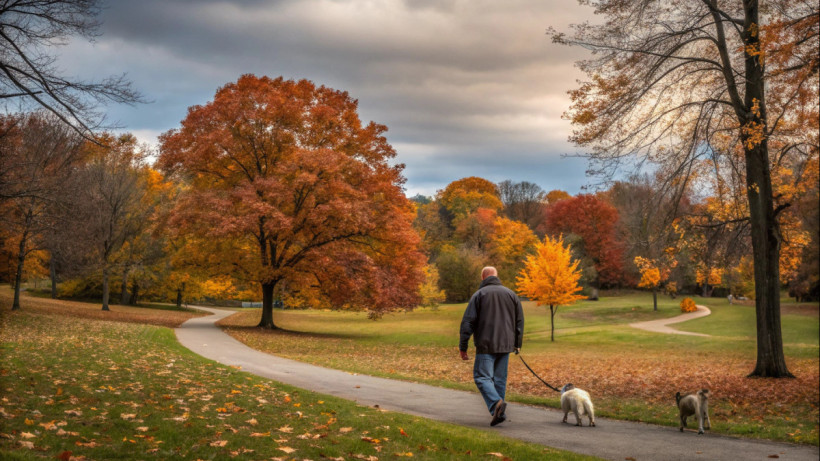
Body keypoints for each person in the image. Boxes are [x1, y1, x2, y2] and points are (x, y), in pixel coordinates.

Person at [459, 266, 524, 426]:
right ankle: (498, 413)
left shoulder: (479, 295)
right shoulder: (511, 294)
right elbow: (519, 322)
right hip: (506, 345)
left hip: (486, 344)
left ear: (483, 278)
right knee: (499, 380)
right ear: (496, 276)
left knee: (481, 377)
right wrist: (517, 344)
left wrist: (463, 345)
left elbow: (468, 321)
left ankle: (496, 404)